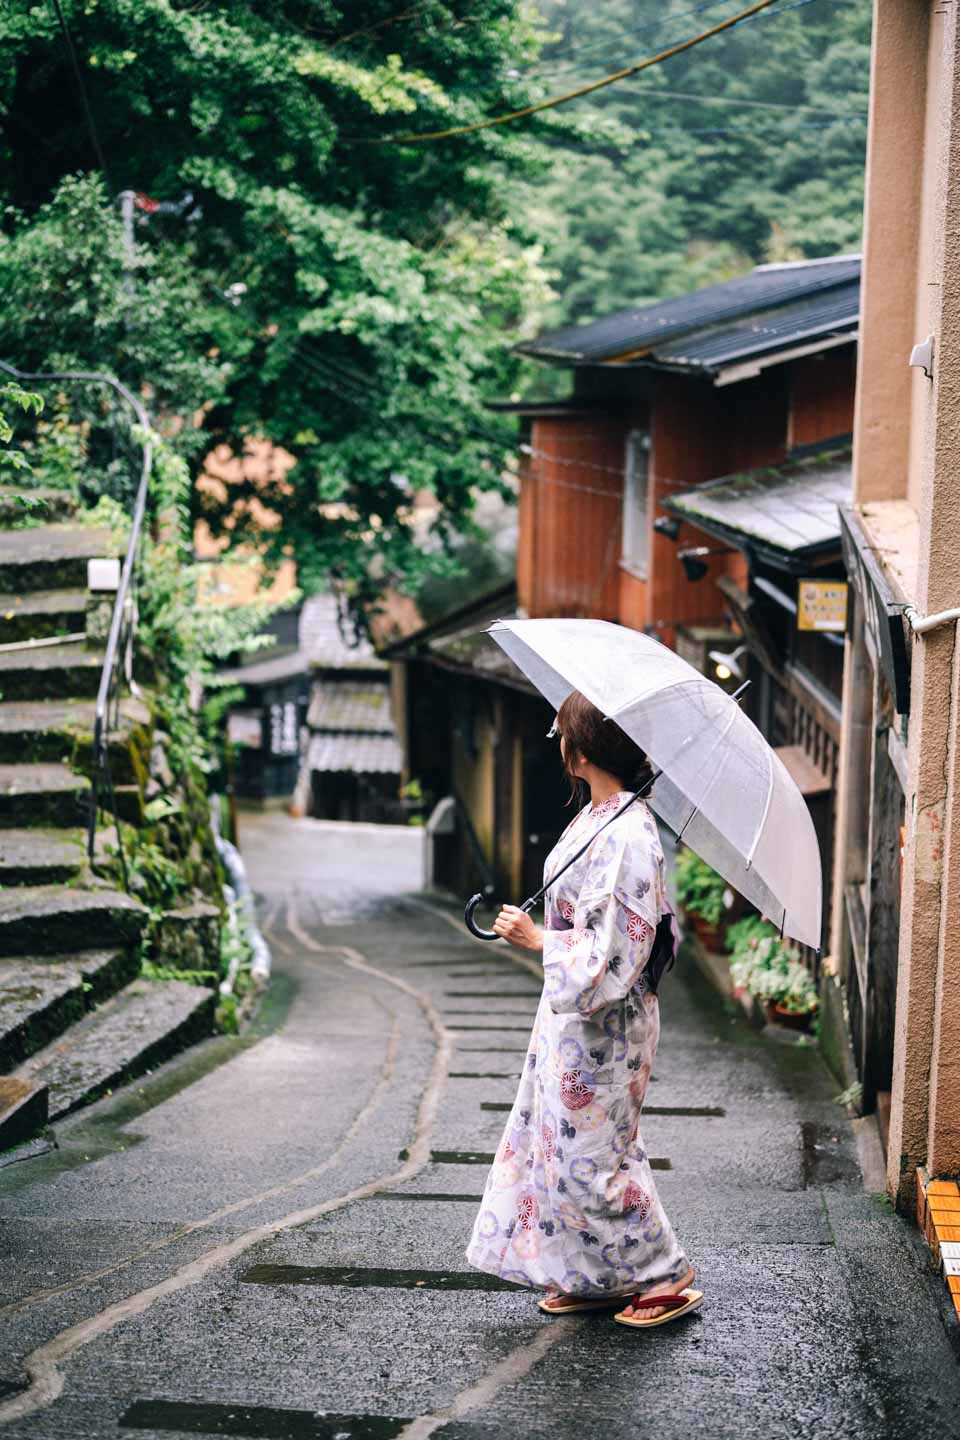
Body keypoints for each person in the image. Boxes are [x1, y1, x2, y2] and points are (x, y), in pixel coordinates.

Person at [464, 690, 702, 1330]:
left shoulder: (624, 833)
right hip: (576, 1023)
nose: (557, 743)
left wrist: (542, 940)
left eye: (561, 733)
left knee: (595, 1159)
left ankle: (664, 1273)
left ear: (580, 749)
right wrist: (544, 933)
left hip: (607, 1026)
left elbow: (618, 950)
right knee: (561, 1148)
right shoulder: (601, 818)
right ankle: (597, 1275)